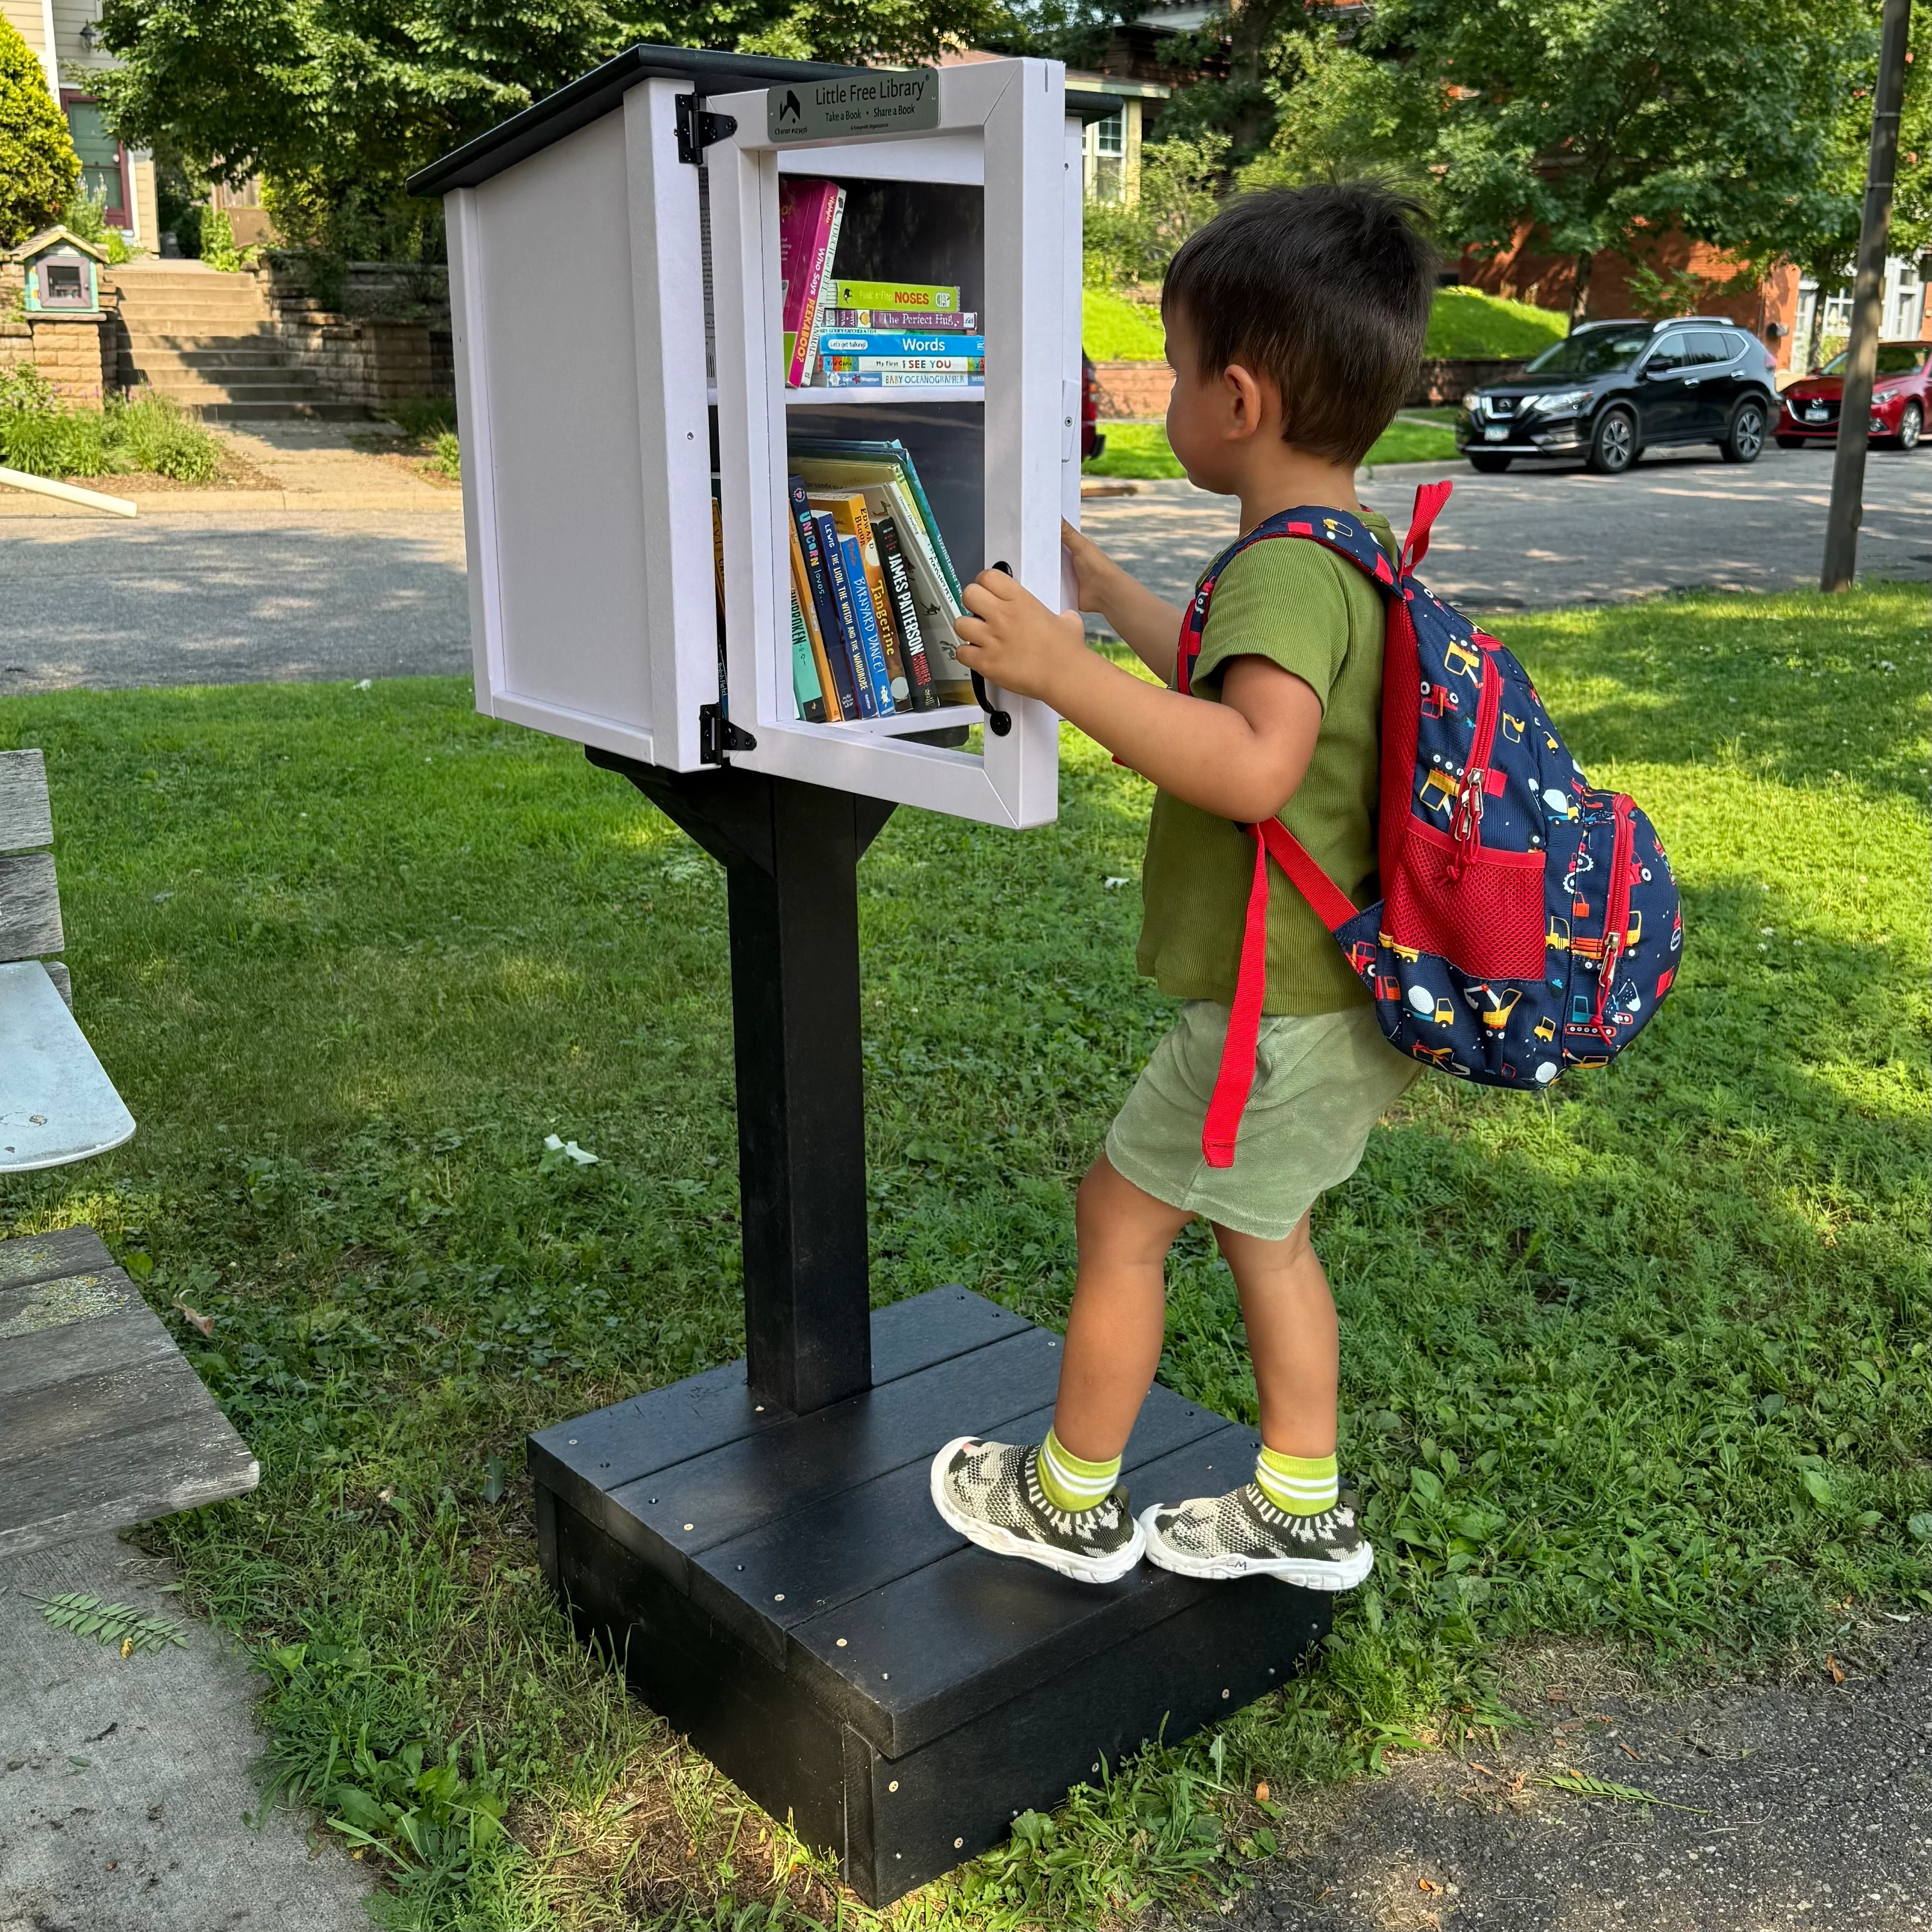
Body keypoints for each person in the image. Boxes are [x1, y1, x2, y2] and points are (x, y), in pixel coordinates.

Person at [930, 182, 1436, 1590]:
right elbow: (1229, 677)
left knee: (1119, 1220)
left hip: (1269, 1017)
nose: (1162, 394)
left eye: (1171, 365)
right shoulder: (1342, 548)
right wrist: (1106, 596)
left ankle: (1068, 1498)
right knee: (1267, 1236)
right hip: (1341, 996)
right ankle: (1298, 1503)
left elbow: (1252, 762)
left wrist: (1059, 672)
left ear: (1237, 398)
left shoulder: (1279, 575)